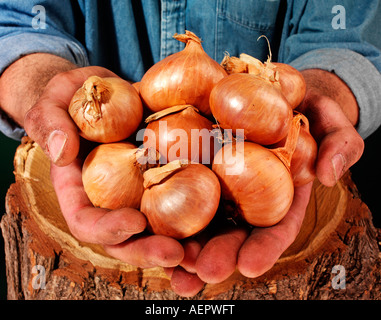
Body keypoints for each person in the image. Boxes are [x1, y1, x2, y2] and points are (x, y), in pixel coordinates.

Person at [0, 0, 380, 297]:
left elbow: (342, 36)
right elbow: (17, 22)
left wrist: (322, 93)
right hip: (124, 150)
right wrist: (45, 88)